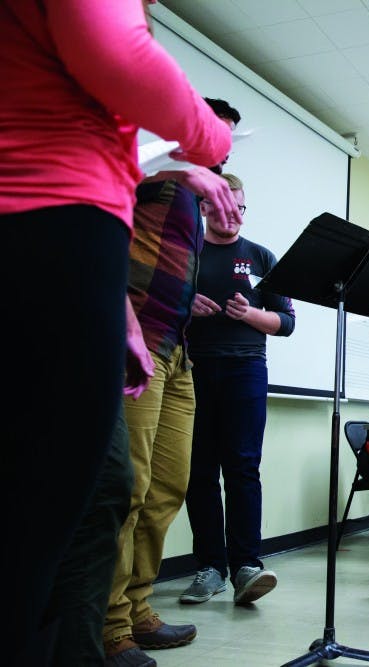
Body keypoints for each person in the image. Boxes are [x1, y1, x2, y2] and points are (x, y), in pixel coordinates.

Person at [0, 1, 233, 664]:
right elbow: (117, 53)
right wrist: (207, 137)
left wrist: (117, 313)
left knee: (83, 495)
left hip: (59, 248)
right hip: (44, 223)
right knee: (49, 513)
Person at [103, 96, 244, 664]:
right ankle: (110, 624)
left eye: (230, 138)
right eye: (215, 133)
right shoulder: (154, 172)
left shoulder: (193, 195)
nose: (224, 146)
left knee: (167, 490)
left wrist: (190, 300)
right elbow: (104, 195)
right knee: (128, 490)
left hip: (177, 352)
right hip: (136, 349)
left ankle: (139, 607)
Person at [178, 173, 295, 606]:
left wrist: (250, 315)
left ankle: (248, 565)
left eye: (241, 208)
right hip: (191, 370)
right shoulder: (187, 253)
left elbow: (286, 323)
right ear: (205, 208)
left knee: (243, 469)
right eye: (226, 206)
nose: (234, 215)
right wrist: (184, 305)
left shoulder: (262, 257)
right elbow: (156, 310)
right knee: (200, 472)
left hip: (247, 369)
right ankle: (210, 568)